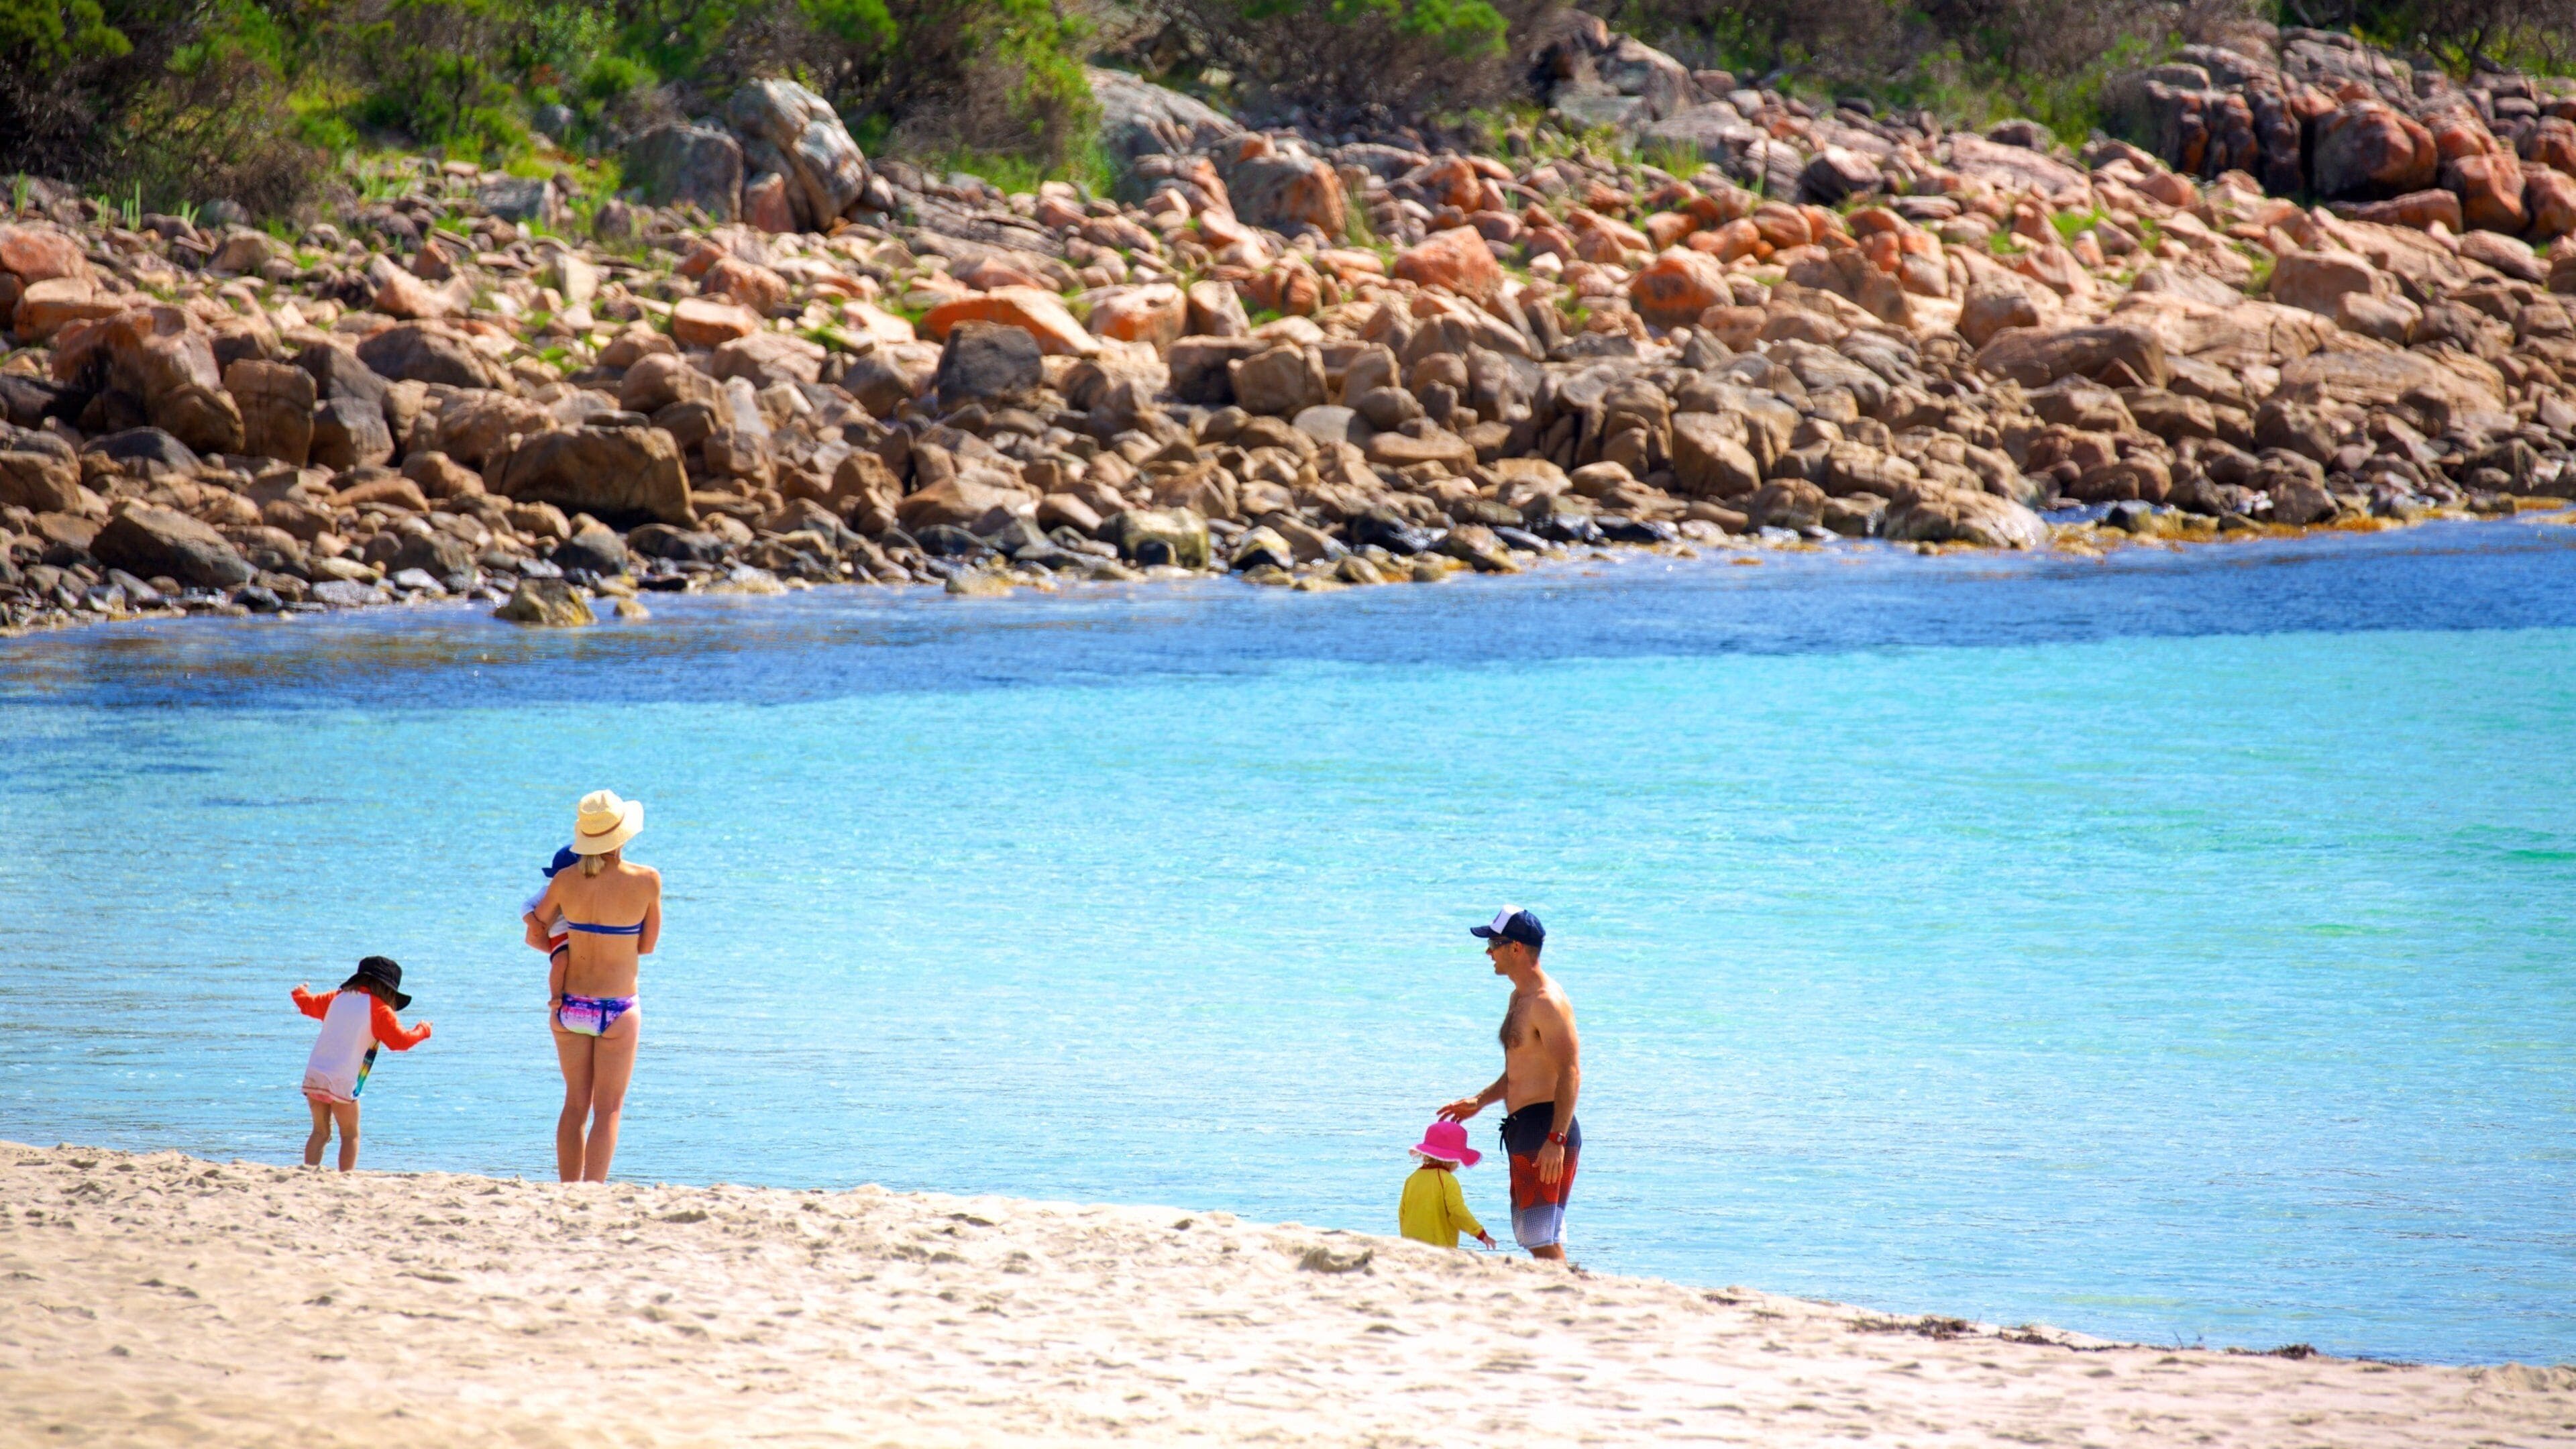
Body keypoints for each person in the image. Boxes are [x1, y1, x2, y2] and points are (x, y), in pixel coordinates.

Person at [526, 789, 659, 1183]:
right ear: (622, 836)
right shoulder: (647, 880)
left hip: (570, 1006)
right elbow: (648, 946)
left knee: (574, 1105)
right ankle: (593, 1193)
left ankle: (567, 1190)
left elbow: (537, 932)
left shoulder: (565, 880)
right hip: (617, 1007)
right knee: (609, 1109)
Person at [1438, 907, 1582, 1261]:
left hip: (1546, 1127)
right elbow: (1518, 1072)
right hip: (1525, 1127)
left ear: (1515, 948)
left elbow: (1571, 1072)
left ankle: (1565, 1302)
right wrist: (1479, 1101)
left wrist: (1556, 1140)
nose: (1488, 952)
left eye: (1493, 944)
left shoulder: (1547, 1003)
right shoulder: (1519, 998)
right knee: (1533, 1233)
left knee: (1539, 1237)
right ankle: (1564, 1295)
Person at [290, 957, 432, 1172]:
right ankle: (346, 1177)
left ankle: (307, 1174)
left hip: (315, 1074)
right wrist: (423, 1030)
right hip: (342, 1081)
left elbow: (307, 1005)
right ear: (389, 989)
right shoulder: (379, 1009)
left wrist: (300, 992)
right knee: (350, 1135)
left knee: (320, 1133)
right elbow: (400, 1042)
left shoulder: (336, 998)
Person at [1398, 1119, 1496, 1250]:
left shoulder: (1412, 1179)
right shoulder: (1447, 1181)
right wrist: (1480, 1233)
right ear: (1454, 1159)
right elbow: (1457, 1212)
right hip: (1437, 1247)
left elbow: (1402, 1213)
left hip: (1410, 1246)